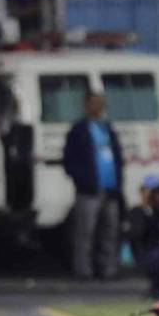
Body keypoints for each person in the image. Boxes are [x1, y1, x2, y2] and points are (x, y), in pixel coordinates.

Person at [62, 92, 124, 281]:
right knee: (85, 232)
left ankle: (109, 269)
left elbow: (117, 157)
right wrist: (81, 179)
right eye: (94, 103)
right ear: (87, 105)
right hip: (89, 190)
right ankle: (83, 269)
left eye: (100, 103)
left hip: (110, 189)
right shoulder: (79, 130)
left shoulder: (107, 128)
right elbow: (69, 160)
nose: (97, 107)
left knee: (110, 231)